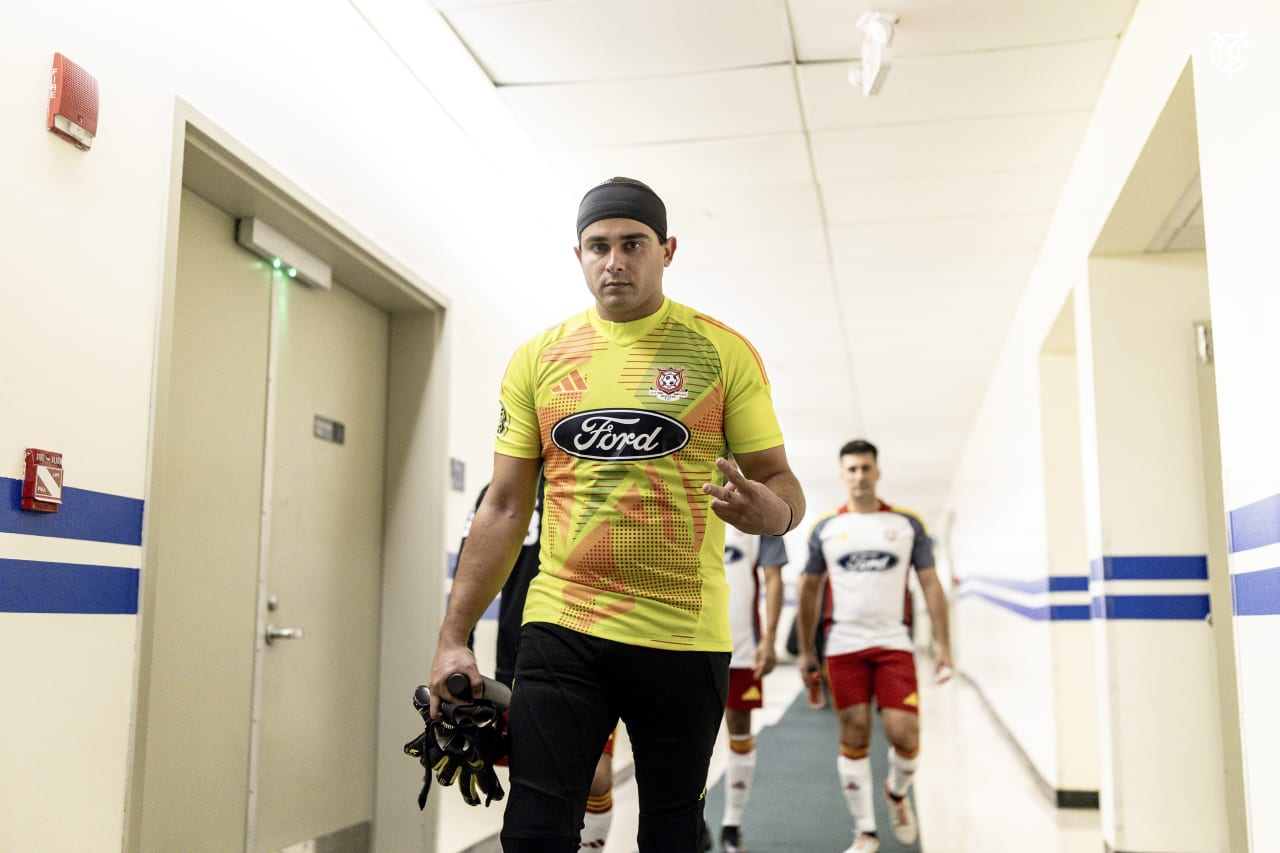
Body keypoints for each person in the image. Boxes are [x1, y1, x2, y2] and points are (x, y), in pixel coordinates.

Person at [427, 176, 805, 852]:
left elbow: (782, 483)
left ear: (667, 250)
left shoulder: (721, 352)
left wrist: (769, 511)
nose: (615, 261)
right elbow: (505, 505)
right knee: (536, 829)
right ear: (578, 255)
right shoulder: (538, 359)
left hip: (682, 633)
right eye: (599, 246)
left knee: (670, 831)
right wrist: (453, 635)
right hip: (563, 624)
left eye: (633, 244)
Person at [795, 439, 952, 853]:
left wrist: (944, 646)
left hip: (893, 642)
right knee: (855, 730)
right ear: (842, 474)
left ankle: (897, 793)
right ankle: (865, 831)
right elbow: (809, 589)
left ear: (877, 472)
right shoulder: (825, 528)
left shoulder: (906, 524)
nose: (859, 476)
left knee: (905, 734)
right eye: (852, 469)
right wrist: (807, 651)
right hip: (843, 642)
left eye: (866, 468)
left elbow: (931, 584)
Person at [457, 476, 619, 851]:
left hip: (588, 659)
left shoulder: (594, 488)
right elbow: (471, 566)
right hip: (518, 664)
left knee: (595, 778)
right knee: (535, 790)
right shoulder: (497, 494)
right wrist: (460, 645)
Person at [717, 521, 787, 853]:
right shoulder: (682, 501)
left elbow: (774, 579)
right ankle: (693, 821)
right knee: (685, 734)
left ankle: (732, 824)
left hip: (741, 646)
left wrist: (770, 639)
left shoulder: (757, 513)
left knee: (740, 729)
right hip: (688, 643)